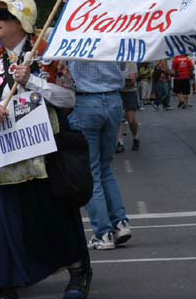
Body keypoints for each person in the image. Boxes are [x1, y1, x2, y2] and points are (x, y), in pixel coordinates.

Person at [0, 0, 92, 299]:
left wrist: (33, 81)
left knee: (52, 213)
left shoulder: (47, 55)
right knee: (4, 219)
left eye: (4, 15)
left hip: (44, 152)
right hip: (5, 151)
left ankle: (78, 271)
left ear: (22, 21)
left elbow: (69, 99)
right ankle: (4, 280)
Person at [67, 59, 132, 251]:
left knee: (91, 170)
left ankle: (103, 233)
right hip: (113, 100)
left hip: (86, 100)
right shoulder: (111, 31)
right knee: (105, 166)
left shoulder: (70, 32)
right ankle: (120, 223)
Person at [117, 62, 140, 153]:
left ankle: (136, 137)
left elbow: (131, 82)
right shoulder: (114, 61)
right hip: (117, 93)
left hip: (130, 93)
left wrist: (117, 82)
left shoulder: (131, 63)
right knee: (118, 119)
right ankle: (120, 143)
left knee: (131, 120)